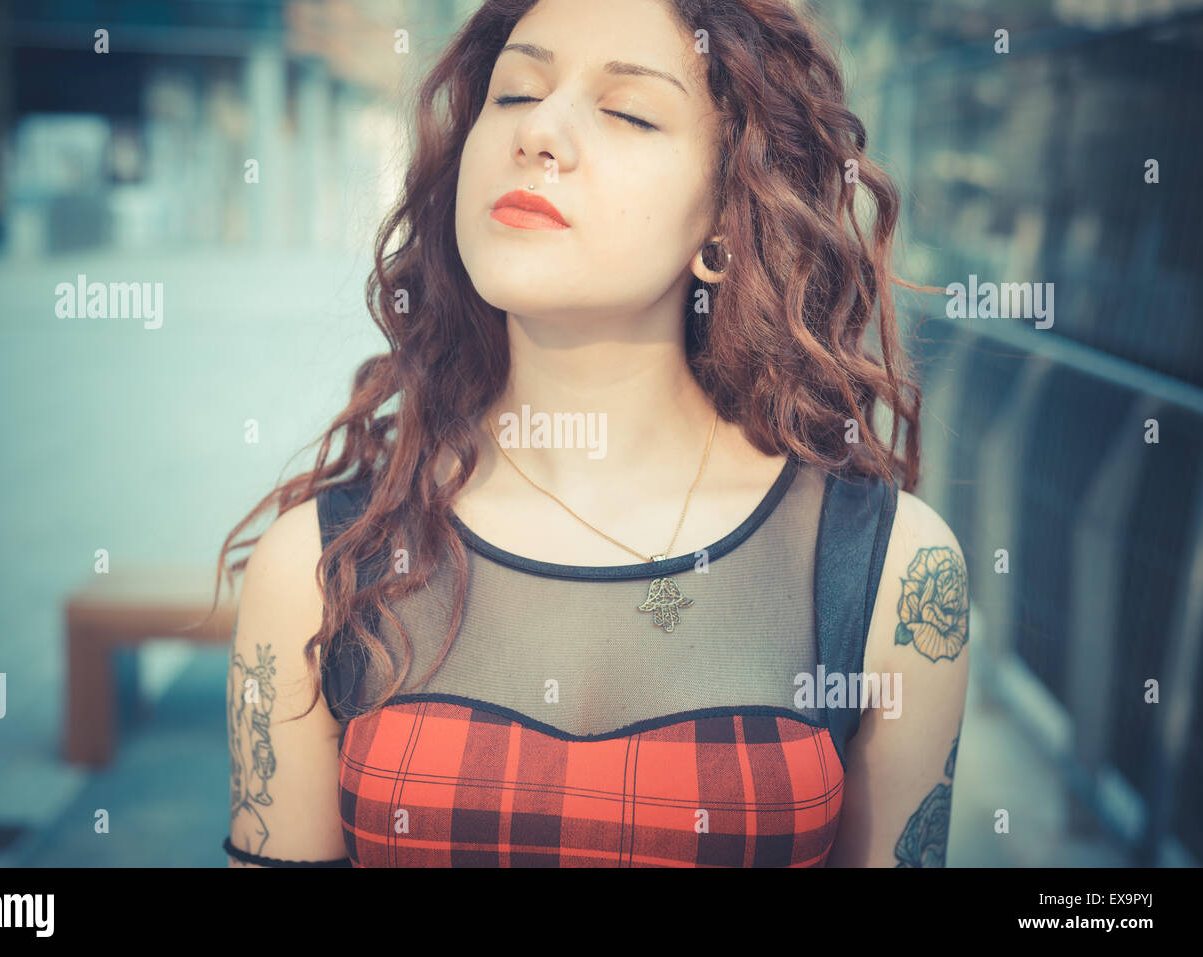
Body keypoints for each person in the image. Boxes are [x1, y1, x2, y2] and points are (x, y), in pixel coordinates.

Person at [215, 0, 968, 868]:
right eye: (515, 94)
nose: (539, 132)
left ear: (727, 217)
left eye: (627, 111)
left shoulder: (891, 577)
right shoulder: (317, 568)